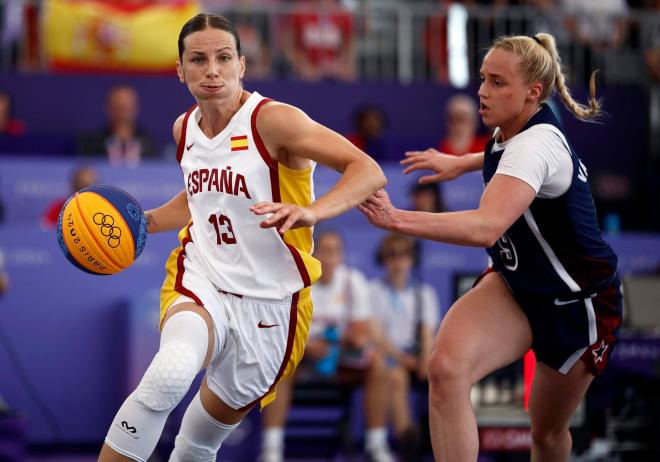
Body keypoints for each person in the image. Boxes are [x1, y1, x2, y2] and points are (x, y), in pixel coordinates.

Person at [98, 13, 386, 462]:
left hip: (273, 302)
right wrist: (143, 223)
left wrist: (311, 210)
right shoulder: (184, 129)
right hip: (203, 277)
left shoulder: (275, 121)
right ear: (180, 70)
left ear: (242, 65)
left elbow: (367, 170)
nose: (211, 69)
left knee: (196, 443)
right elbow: (200, 197)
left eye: (223, 57)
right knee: (169, 374)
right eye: (198, 59)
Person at [360, 32, 622, 461]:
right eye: (483, 78)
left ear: (532, 92)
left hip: (576, 303)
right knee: (445, 370)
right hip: (517, 287)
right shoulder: (515, 128)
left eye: (498, 82)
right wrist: (461, 162)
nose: (482, 90)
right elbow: (503, 154)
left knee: (546, 433)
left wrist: (396, 219)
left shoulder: (535, 146)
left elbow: (485, 227)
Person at [258, 230, 393, 462]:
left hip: (338, 358)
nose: (331, 258)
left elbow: (360, 329)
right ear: (314, 252)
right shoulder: (295, 279)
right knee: (278, 364)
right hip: (301, 359)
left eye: (336, 252)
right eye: (326, 251)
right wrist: (308, 347)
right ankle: (272, 448)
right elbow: (278, 329)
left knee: (378, 366)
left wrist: (338, 343)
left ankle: (376, 445)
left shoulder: (353, 280)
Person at [370, 233, 440, 462]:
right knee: (396, 377)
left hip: (418, 358)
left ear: (411, 259)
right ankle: (406, 437)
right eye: (391, 255)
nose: (398, 260)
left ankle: (440, 440)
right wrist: (405, 359)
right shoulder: (375, 291)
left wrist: (424, 362)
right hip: (390, 358)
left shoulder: (424, 293)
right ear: (384, 259)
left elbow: (428, 333)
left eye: (403, 254)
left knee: (446, 374)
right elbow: (377, 337)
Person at [78, 85, 158, 166]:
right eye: (118, 108)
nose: (122, 115)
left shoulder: (148, 144)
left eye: (127, 108)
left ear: (135, 108)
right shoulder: (93, 145)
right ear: (108, 108)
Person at [41, 165, 99, 229]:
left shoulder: (100, 211)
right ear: (74, 185)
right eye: (83, 184)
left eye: (91, 183)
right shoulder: (58, 208)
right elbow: (45, 231)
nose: (86, 189)